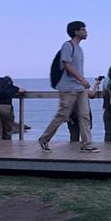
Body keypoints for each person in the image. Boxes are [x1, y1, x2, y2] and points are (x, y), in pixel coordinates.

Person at [38, 21, 99, 152]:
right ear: (76, 32)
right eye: (83, 29)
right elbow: (67, 65)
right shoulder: (67, 45)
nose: (86, 31)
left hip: (80, 89)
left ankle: (87, 144)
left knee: (85, 116)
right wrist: (83, 80)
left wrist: (82, 84)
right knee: (62, 115)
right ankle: (44, 139)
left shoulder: (79, 49)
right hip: (68, 89)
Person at [0, 76, 26, 140]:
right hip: (6, 108)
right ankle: (6, 145)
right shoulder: (11, 87)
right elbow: (22, 90)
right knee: (8, 131)